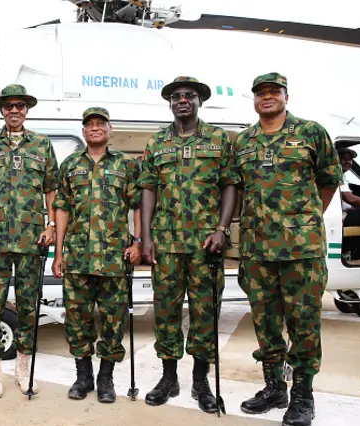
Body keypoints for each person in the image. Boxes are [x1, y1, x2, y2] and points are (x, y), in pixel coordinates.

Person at [232, 73, 342, 426]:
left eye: (273, 92)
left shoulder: (311, 132)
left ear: (285, 96)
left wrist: (305, 220)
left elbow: (329, 181)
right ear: (254, 100)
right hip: (257, 251)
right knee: (265, 324)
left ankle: (303, 395)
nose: (267, 97)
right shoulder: (245, 142)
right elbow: (238, 188)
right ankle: (274, 387)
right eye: (261, 93)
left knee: (304, 325)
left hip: (301, 252)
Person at [138, 76, 238, 413]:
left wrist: (223, 228)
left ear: (199, 102)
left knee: (205, 313)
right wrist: (147, 236)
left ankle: (200, 380)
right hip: (166, 244)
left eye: (190, 96)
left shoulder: (218, 140)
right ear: (170, 103)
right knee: (165, 312)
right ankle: (169, 377)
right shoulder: (157, 144)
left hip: (205, 244)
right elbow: (148, 189)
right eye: (177, 96)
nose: (183, 100)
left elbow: (229, 185)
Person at [0, 84, 59, 398]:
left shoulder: (42, 144)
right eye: (9, 106)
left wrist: (51, 225)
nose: (14, 111)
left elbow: (51, 188)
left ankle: (23, 366)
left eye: (20, 105)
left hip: (32, 240)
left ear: (27, 109)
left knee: (29, 306)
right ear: (2, 110)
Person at [52, 107, 142, 403]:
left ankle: (106, 378)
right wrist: (59, 252)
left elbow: (137, 204)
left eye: (100, 124)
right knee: (77, 321)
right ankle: (83, 376)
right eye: (89, 124)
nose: (94, 128)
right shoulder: (69, 166)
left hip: (114, 258)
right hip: (77, 257)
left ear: (109, 130)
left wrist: (138, 242)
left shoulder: (126, 166)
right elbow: (62, 208)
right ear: (83, 131)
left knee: (114, 320)